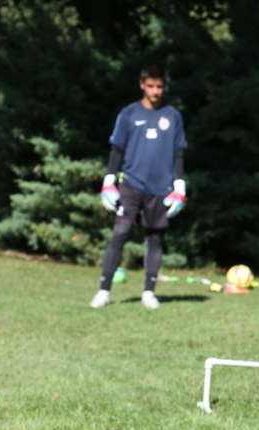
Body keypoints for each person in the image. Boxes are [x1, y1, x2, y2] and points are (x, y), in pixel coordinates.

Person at [91, 64, 187, 310]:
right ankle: (104, 291)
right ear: (142, 85)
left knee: (154, 239)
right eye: (151, 86)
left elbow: (178, 152)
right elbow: (117, 149)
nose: (155, 91)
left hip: (161, 188)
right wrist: (109, 181)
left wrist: (179, 185)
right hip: (131, 185)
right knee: (120, 234)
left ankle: (148, 292)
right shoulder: (129, 114)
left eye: (160, 87)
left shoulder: (173, 116)